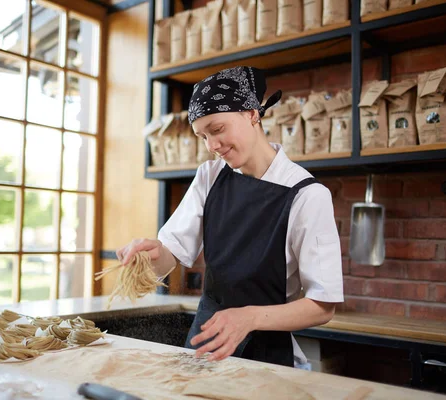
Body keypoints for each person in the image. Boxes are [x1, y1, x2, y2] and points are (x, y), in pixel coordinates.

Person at [117, 66, 343, 367]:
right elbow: (171, 254)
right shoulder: (210, 176)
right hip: (205, 346)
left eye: (217, 129)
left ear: (252, 114)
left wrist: (248, 318)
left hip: (267, 357)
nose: (211, 146)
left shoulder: (306, 194)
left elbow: (323, 306)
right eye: (202, 136)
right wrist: (148, 256)